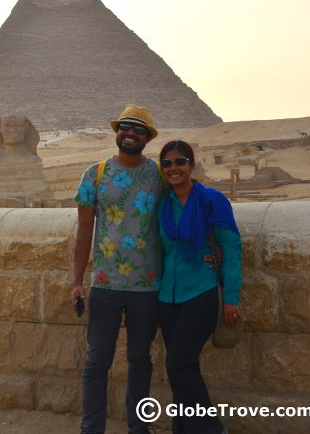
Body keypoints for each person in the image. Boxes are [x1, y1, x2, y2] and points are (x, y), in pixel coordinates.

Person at [71, 104, 165, 434]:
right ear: (117, 131)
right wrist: (77, 282)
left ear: (148, 138)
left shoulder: (159, 175)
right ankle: (91, 429)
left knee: (140, 361)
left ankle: (138, 429)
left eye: (139, 129)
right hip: (106, 283)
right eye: (126, 126)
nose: (130, 133)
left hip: (147, 285)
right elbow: (84, 231)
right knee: (97, 361)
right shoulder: (94, 174)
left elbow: (179, 216)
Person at [157, 140, 241, 434]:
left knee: (178, 365)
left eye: (180, 162)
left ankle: (211, 430)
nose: (174, 168)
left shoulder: (212, 200)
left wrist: (231, 298)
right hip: (168, 297)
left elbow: (231, 248)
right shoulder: (163, 206)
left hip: (201, 292)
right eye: (166, 163)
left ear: (191, 165)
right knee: (184, 367)